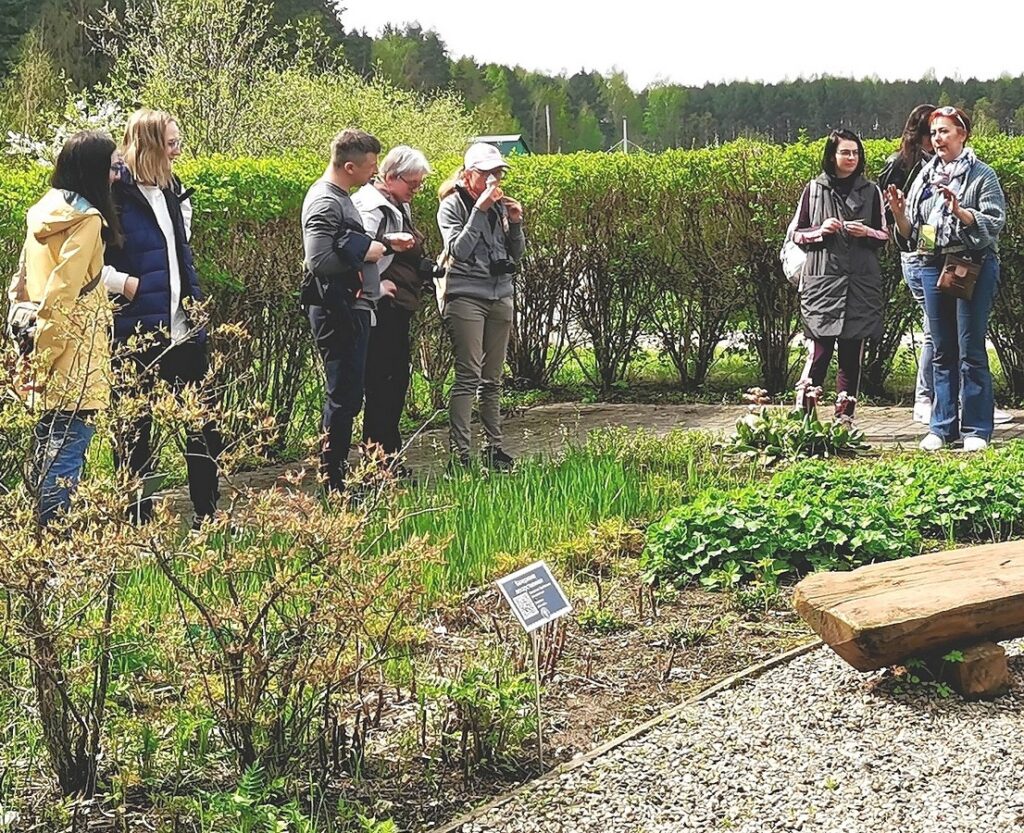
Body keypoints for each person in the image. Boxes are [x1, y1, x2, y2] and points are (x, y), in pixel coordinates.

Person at [105, 108, 223, 525]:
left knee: (204, 424)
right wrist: (124, 283)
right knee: (136, 433)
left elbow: (179, 254)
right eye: (171, 143)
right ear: (149, 145)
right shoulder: (113, 196)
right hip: (137, 333)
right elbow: (88, 264)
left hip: (184, 329)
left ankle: (208, 514)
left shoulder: (171, 190)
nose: (177, 152)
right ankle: (140, 519)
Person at [885, 106, 1006, 452]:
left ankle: (977, 430)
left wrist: (960, 211)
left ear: (963, 134)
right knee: (941, 349)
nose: (938, 138)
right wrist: (897, 213)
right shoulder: (924, 176)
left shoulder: (983, 175)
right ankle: (941, 426)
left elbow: (993, 223)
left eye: (945, 131)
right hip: (929, 263)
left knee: (971, 349)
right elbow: (911, 233)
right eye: (934, 132)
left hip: (971, 265)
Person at [17, 131, 122, 525]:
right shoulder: (88, 221)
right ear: (94, 170)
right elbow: (64, 290)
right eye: (112, 167)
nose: (116, 176)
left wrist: (36, 358)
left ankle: (35, 550)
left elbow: (26, 281)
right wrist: (50, 354)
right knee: (67, 456)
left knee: (46, 451)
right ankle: (57, 555)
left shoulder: (41, 210)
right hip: (73, 350)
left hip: (42, 345)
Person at [300, 129, 407, 493]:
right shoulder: (326, 202)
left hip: (351, 305)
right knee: (342, 399)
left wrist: (378, 245)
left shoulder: (340, 196)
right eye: (371, 167)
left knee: (349, 396)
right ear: (349, 166)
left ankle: (337, 478)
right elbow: (318, 261)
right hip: (336, 309)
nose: (376, 174)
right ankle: (333, 484)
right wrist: (366, 251)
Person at [436, 143, 525, 470]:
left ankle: (494, 449)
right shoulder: (452, 206)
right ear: (469, 173)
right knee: (468, 376)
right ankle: (459, 456)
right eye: (487, 172)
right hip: (465, 296)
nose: (494, 179)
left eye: (498, 172)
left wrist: (515, 223)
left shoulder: (501, 205)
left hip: (500, 295)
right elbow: (459, 250)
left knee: (493, 378)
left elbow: (514, 256)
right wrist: (479, 210)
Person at [790, 129, 888, 422]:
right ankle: (806, 419)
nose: (851, 158)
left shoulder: (872, 191)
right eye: (845, 152)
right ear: (832, 155)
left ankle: (844, 419)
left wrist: (866, 231)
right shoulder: (813, 189)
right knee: (819, 353)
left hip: (860, 283)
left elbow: (884, 235)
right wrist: (820, 231)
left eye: (856, 153)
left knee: (851, 356)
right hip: (822, 282)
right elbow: (796, 233)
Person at [352, 145, 431, 476]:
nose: (416, 190)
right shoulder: (371, 207)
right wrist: (373, 288)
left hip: (398, 308)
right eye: (412, 184)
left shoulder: (398, 204)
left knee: (396, 382)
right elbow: (356, 252)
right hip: (380, 309)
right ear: (392, 176)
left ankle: (389, 455)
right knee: (382, 385)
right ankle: (376, 463)